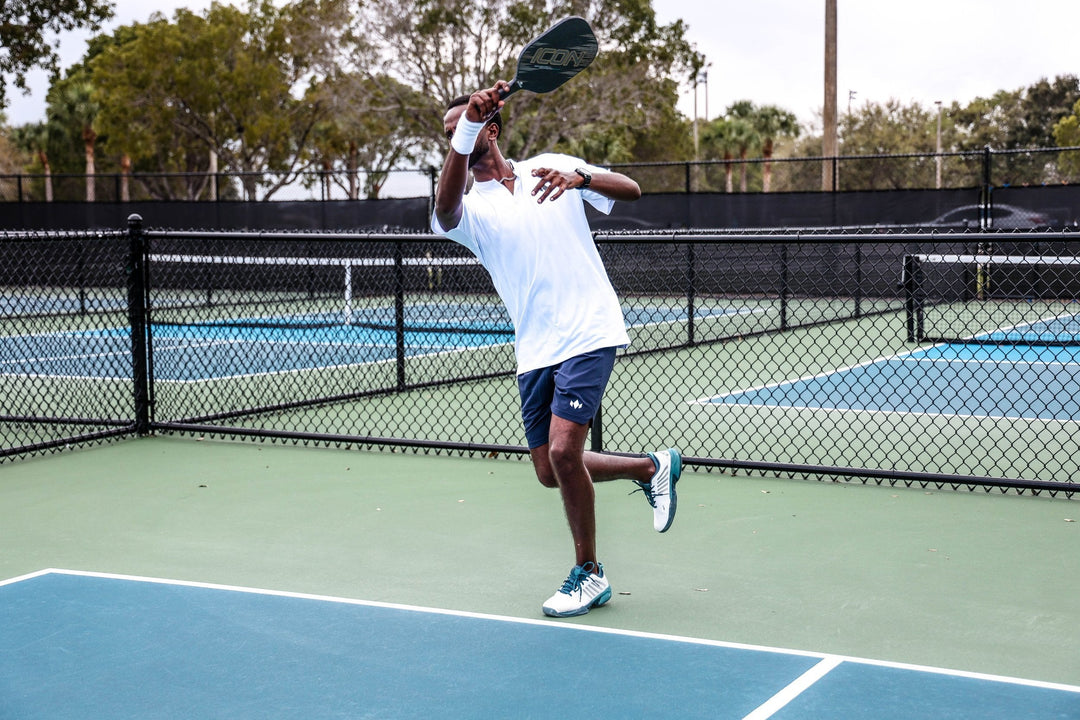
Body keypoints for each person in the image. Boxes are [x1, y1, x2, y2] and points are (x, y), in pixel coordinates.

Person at [431, 81, 682, 618]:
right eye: (450, 134)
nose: (457, 137)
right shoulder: (469, 209)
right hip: (535, 348)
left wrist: (580, 176)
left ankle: (589, 574)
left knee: (566, 452)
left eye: (467, 128)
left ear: (493, 131)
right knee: (549, 468)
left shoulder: (552, 166)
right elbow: (445, 208)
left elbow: (631, 189)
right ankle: (650, 467)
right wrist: (465, 130)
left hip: (589, 328)